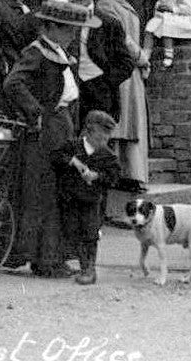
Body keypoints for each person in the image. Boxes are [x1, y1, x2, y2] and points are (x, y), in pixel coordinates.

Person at [0, 0, 100, 278]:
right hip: (47, 130)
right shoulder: (37, 52)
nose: (73, 35)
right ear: (52, 27)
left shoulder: (57, 52)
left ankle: (52, 257)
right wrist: (36, 112)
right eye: (69, 30)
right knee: (44, 194)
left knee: (59, 193)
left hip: (62, 126)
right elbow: (13, 82)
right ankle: (45, 259)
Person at [93, 0, 150, 191]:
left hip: (132, 71)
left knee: (132, 122)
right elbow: (122, 38)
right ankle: (118, 173)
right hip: (119, 70)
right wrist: (141, 57)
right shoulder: (107, 6)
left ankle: (132, 173)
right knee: (121, 122)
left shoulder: (126, 5)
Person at [52, 109, 121, 285]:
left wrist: (97, 176)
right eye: (99, 138)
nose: (102, 143)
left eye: (106, 139)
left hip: (92, 201)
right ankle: (73, 262)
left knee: (90, 234)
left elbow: (113, 177)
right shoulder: (72, 147)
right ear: (88, 132)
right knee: (72, 231)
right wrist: (73, 161)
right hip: (70, 198)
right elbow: (56, 156)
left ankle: (88, 269)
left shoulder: (108, 156)